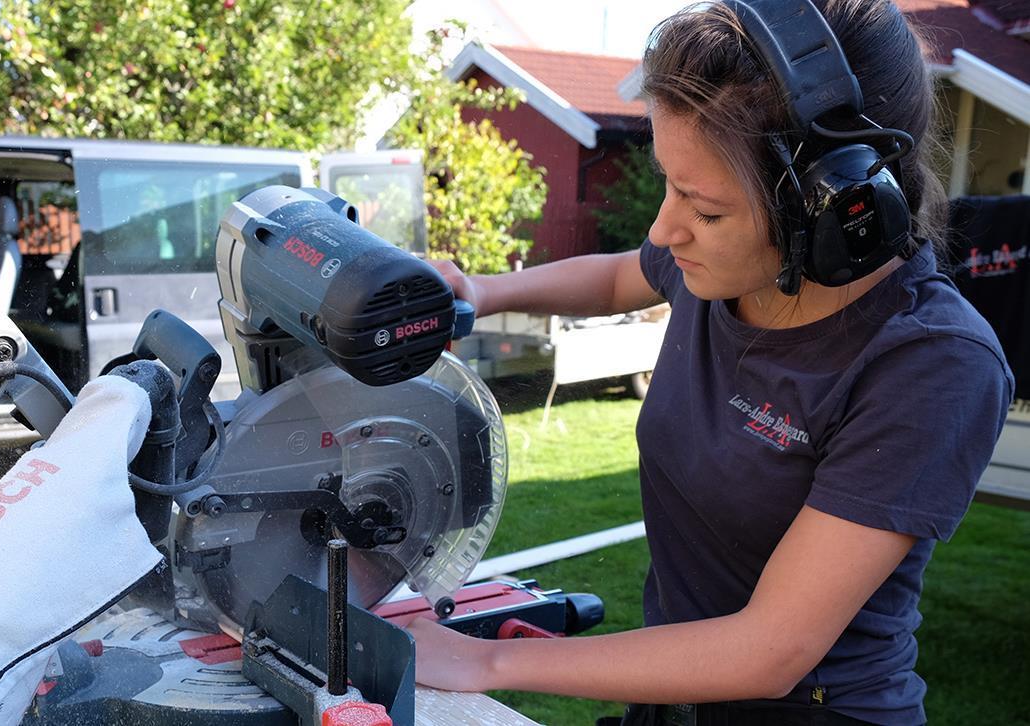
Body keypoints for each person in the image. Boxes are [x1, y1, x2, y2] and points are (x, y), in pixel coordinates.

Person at [409, 1, 1013, 724]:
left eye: (705, 208)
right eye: (669, 183)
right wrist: (483, 292)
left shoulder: (931, 365)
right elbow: (619, 276)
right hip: (675, 696)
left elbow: (771, 648)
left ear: (833, 207)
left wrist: (485, 660)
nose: (666, 228)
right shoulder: (722, 263)